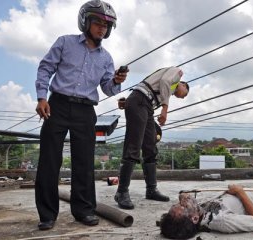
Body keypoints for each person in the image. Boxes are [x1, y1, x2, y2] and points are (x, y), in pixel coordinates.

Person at [34, 0, 127, 230]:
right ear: (85, 21)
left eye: (106, 26)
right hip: (57, 105)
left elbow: (107, 88)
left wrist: (115, 81)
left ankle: (84, 211)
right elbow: (46, 67)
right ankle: (47, 215)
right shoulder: (65, 42)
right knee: (49, 161)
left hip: (86, 110)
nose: (101, 29)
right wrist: (41, 98)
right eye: (97, 23)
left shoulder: (106, 58)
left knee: (84, 163)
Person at [114, 67, 189, 210]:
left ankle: (151, 189)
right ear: (184, 85)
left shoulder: (167, 91)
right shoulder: (178, 74)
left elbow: (154, 89)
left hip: (146, 106)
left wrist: (129, 102)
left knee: (150, 146)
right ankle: (121, 192)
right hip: (140, 101)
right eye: (184, 95)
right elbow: (165, 80)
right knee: (133, 146)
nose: (182, 97)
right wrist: (165, 109)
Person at [160, 183, 253, 239]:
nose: (182, 202)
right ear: (194, 218)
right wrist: (240, 192)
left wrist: (183, 196)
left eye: (177, 203)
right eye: (183, 206)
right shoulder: (221, 221)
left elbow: (183, 199)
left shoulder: (198, 214)